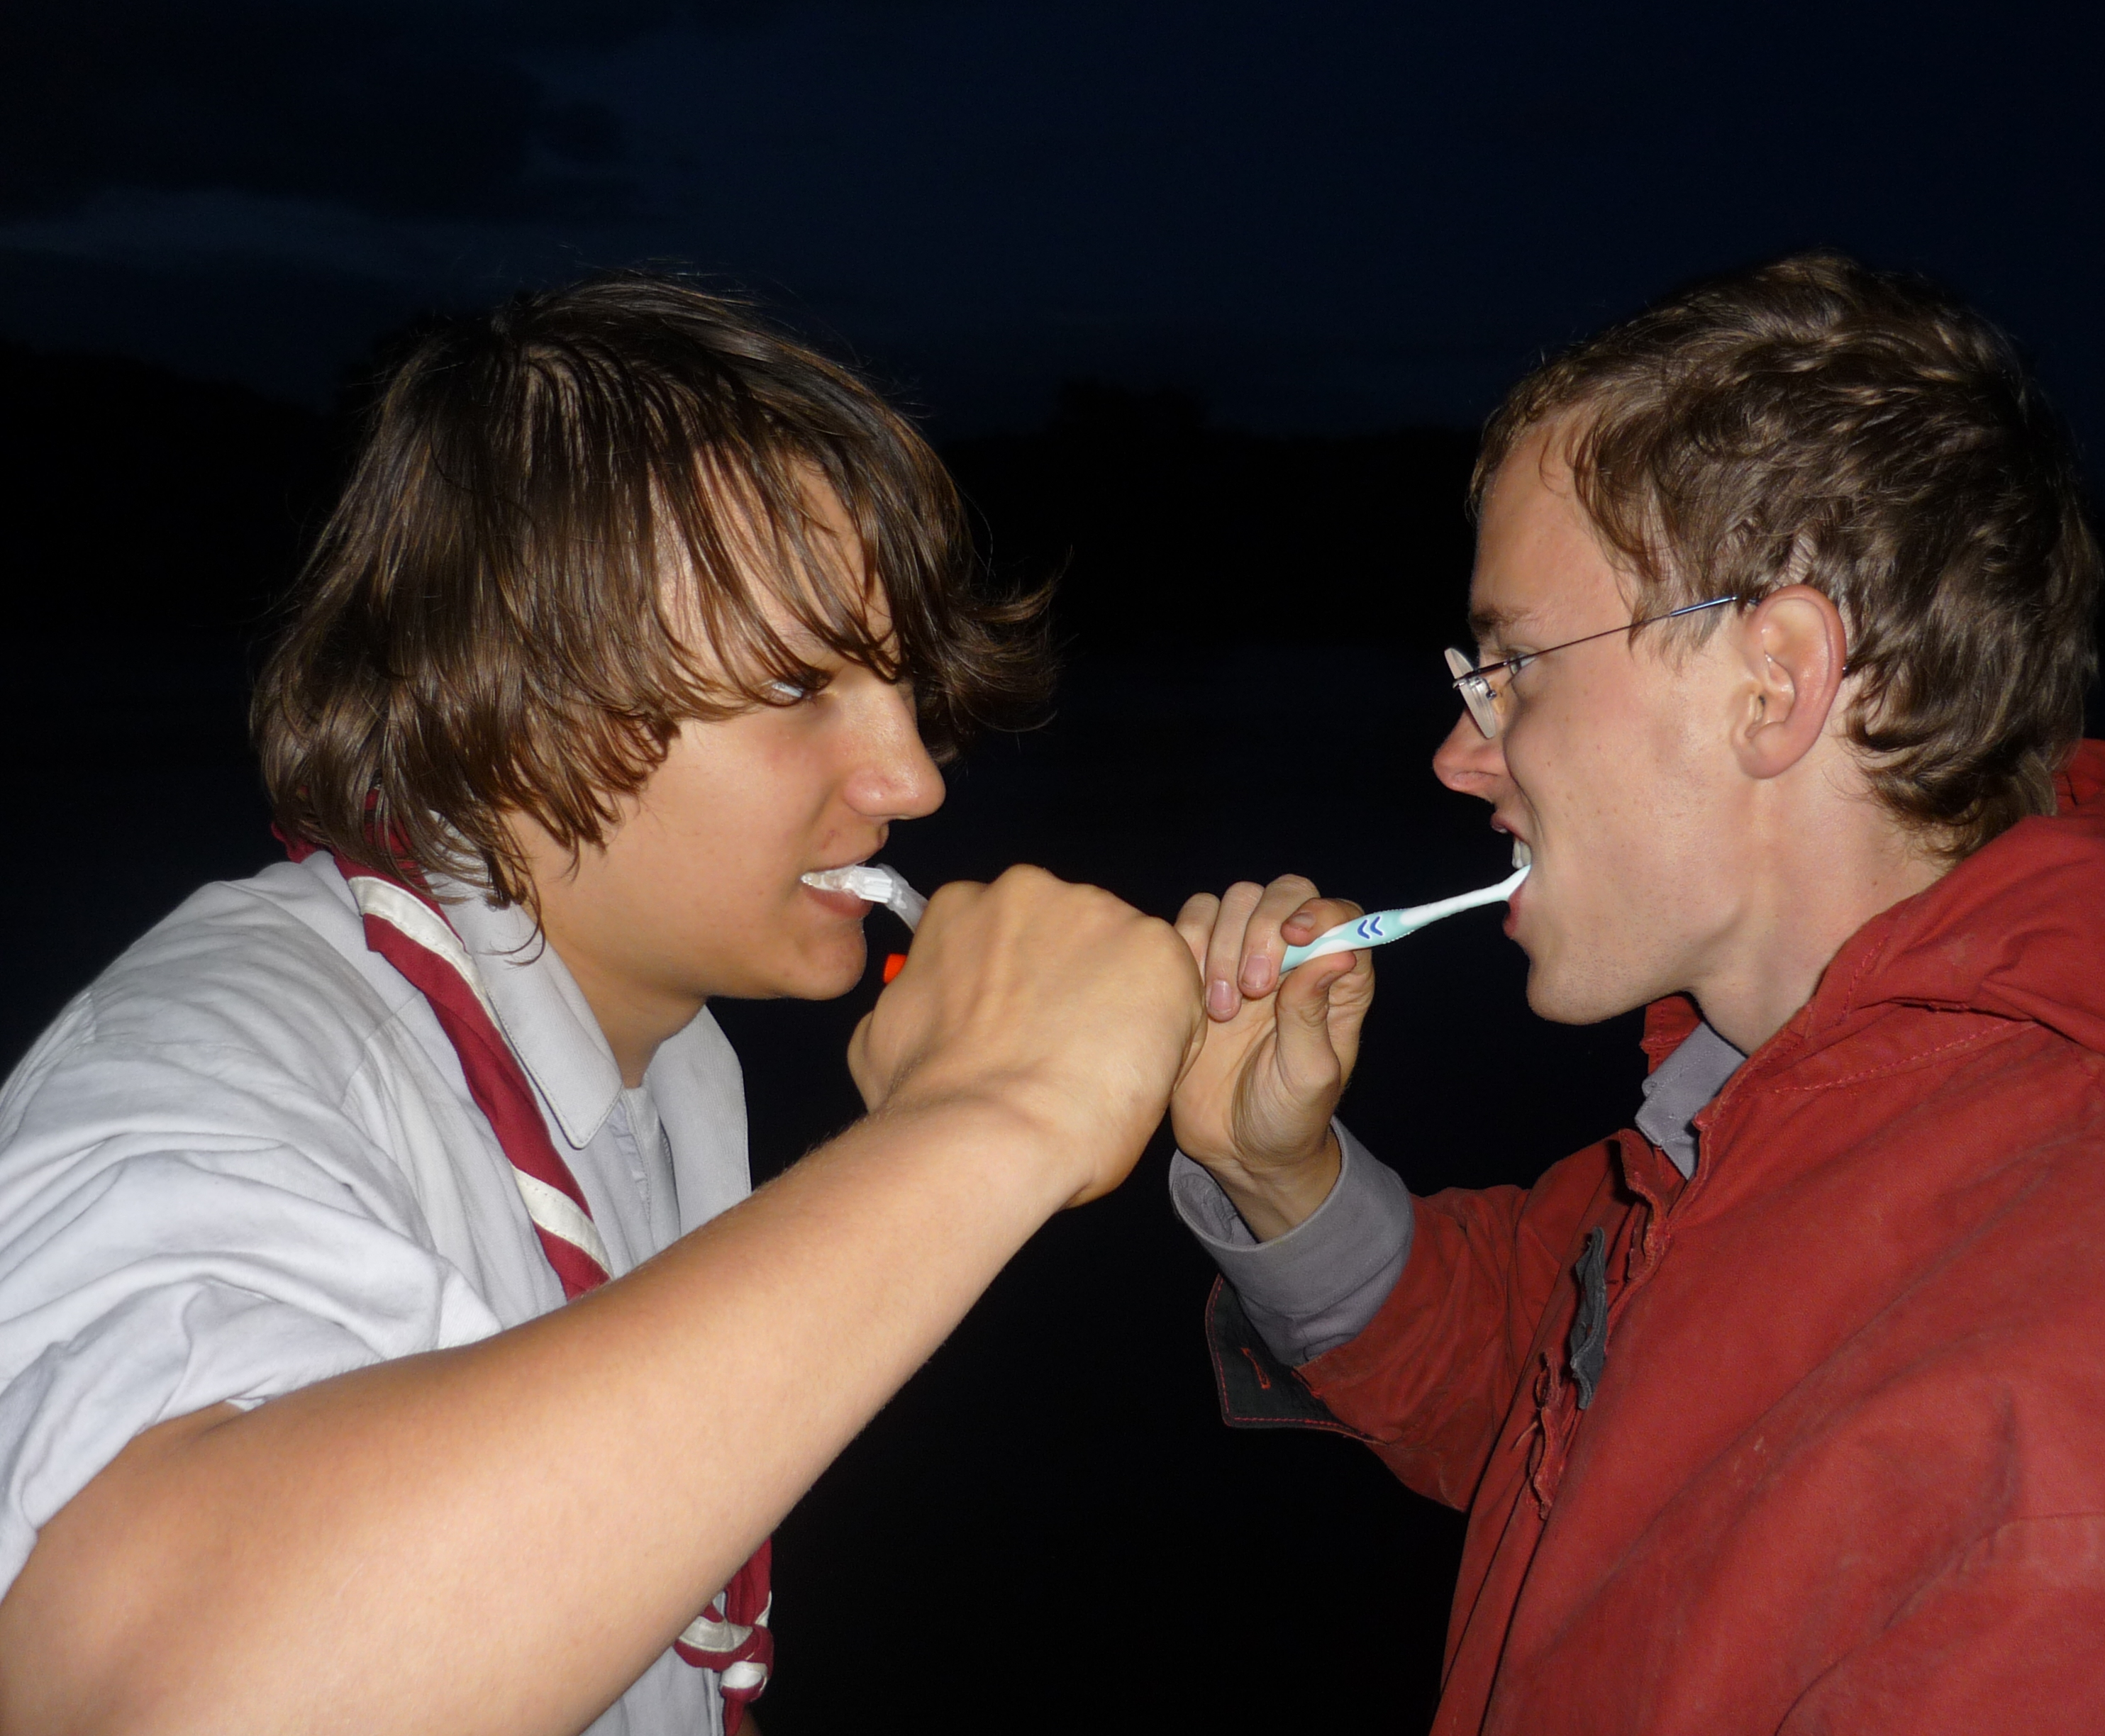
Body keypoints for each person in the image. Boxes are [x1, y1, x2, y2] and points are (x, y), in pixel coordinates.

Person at [0, 275, 1205, 1735]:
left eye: (898, 683)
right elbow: (157, 1693)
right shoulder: (211, 1063)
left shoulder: (677, 1053)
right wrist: (995, 1118)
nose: (913, 778)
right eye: (798, 684)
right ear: (510, 699)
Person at [1167, 253, 2105, 1732]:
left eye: (1514, 667)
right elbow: (1552, 1381)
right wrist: (1281, 1175)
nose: (1459, 756)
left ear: (1775, 682)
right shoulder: (1760, 1099)